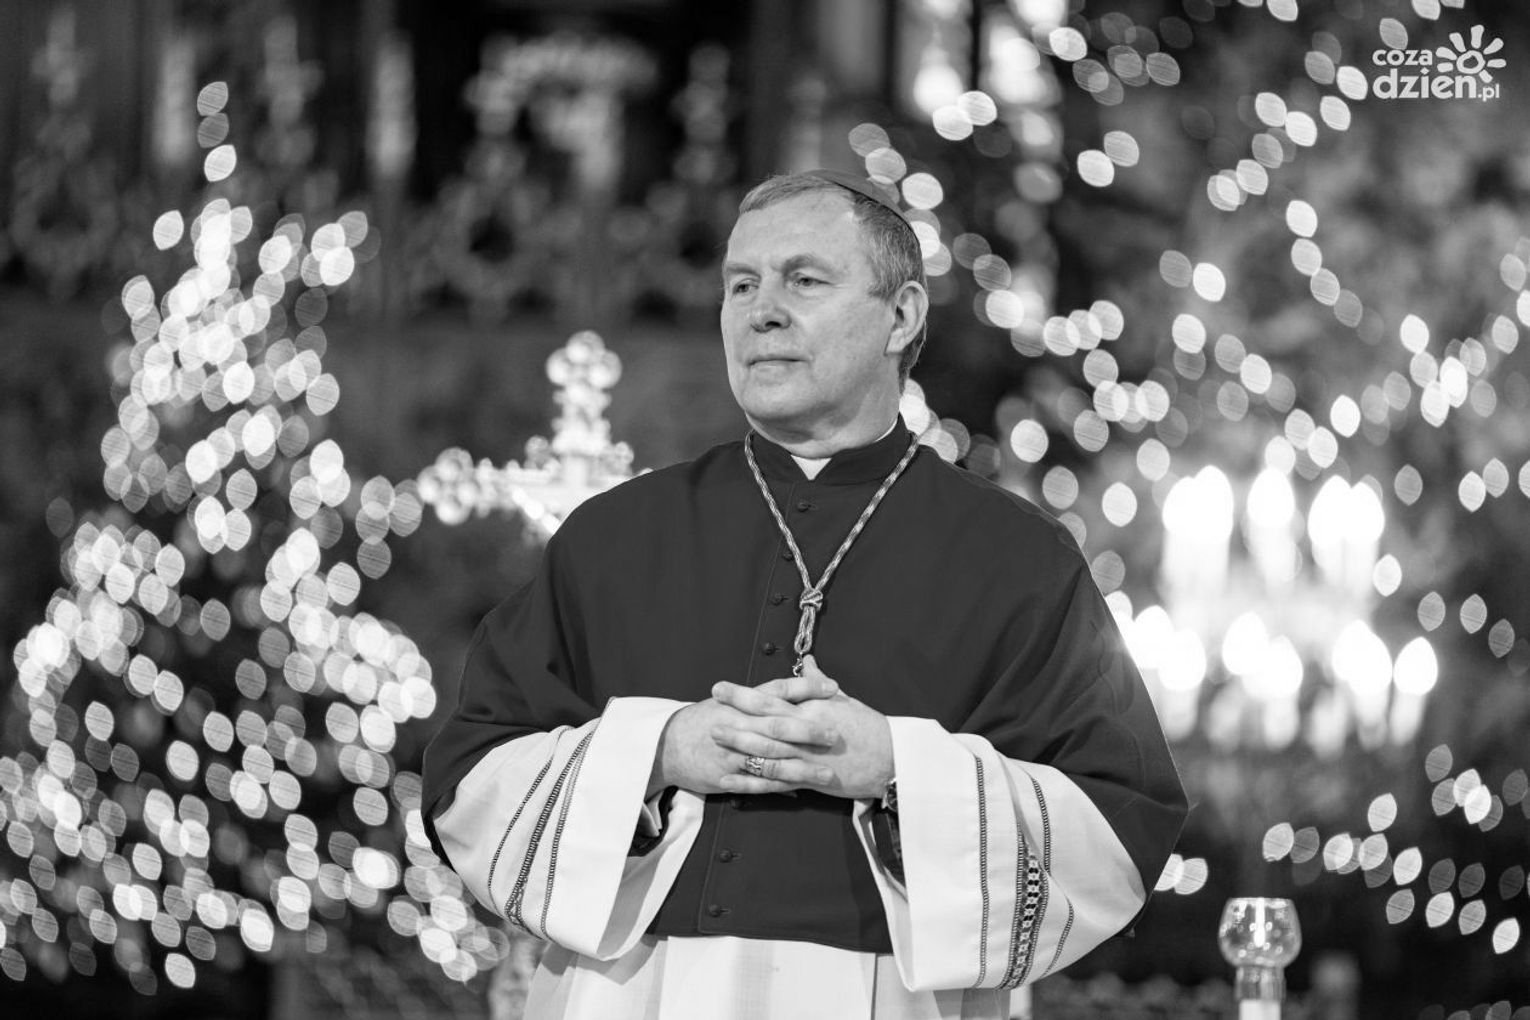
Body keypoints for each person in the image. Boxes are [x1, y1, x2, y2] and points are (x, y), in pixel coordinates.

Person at [420, 169, 1188, 1019]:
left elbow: (1120, 833)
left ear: (902, 316)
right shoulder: (615, 536)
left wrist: (897, 767)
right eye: (741, 285)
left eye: (805, 280)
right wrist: (659, 751)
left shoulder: (1018, 559)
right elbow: (466, 783)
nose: (762, 312)